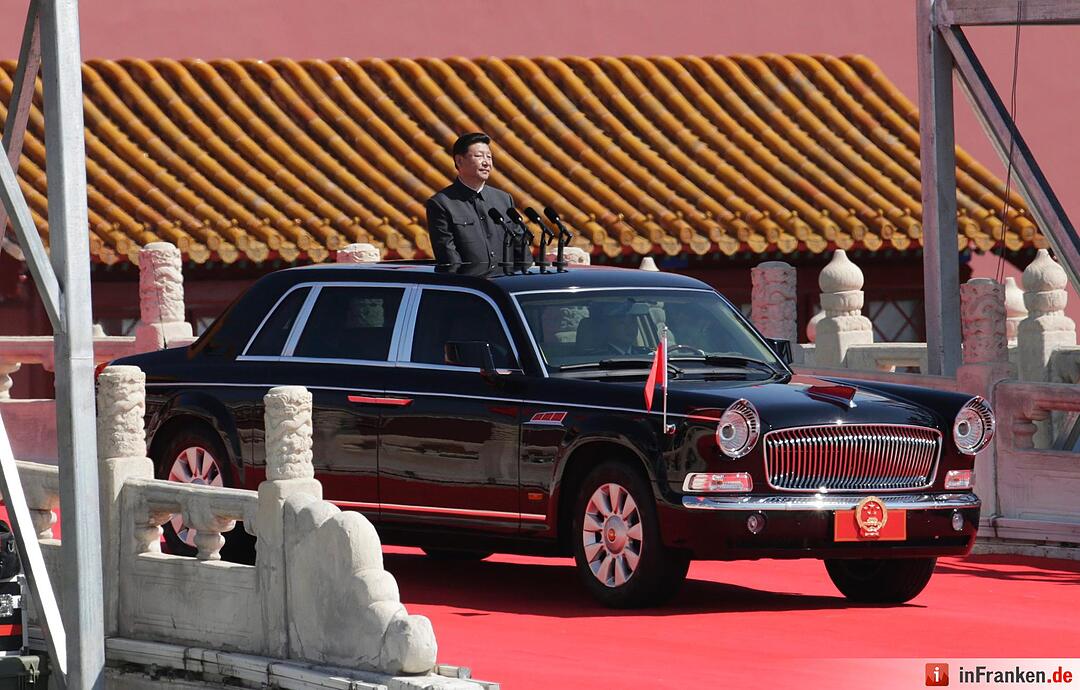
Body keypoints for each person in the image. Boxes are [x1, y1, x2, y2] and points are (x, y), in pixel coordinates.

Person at [426, 132, 516, 266]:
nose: (486, 162)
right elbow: (448, 256)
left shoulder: (504, 199)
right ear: (459, 161)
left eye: (489, 157)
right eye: (479, 156)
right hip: (469, 285)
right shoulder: (442, 203)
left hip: (506, 283)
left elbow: (519, 245)